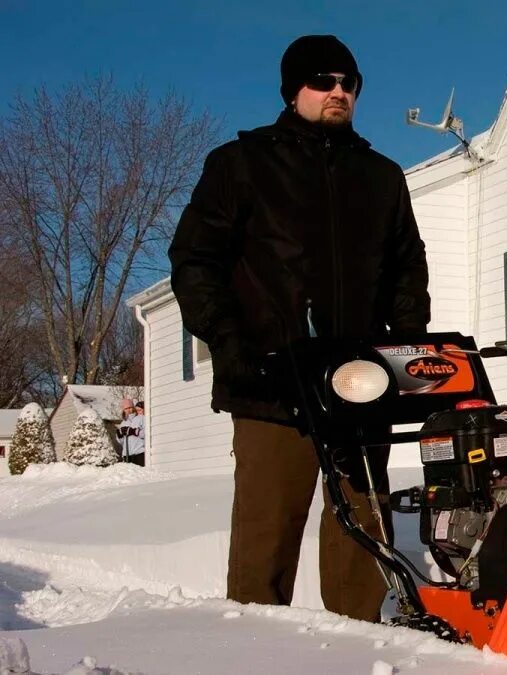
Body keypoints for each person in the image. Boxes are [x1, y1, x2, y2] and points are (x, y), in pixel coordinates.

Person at [167, 34, 430, 623]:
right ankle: (257, 653)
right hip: (271, 382)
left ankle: (358, 648)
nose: (338, 92)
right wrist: (230, 345)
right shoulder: (242, 165)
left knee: (362, 534)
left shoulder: (381, 176)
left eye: (348, 83)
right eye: (323, 81)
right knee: (268, 536)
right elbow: (195, 261)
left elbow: (406, 267)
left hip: (359, 384)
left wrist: (404, 344)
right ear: (293, 91)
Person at [116, 398, 146, 466]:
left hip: (139, 453)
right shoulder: (123, 423)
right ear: (123, 410)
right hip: (127, 455)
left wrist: (132, 431)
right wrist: (119, 436)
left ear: (133, 408)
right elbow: (122, 442)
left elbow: (145, 434)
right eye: (126, 408)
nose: (129, 410)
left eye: (130, 408)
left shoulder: (141, 418)